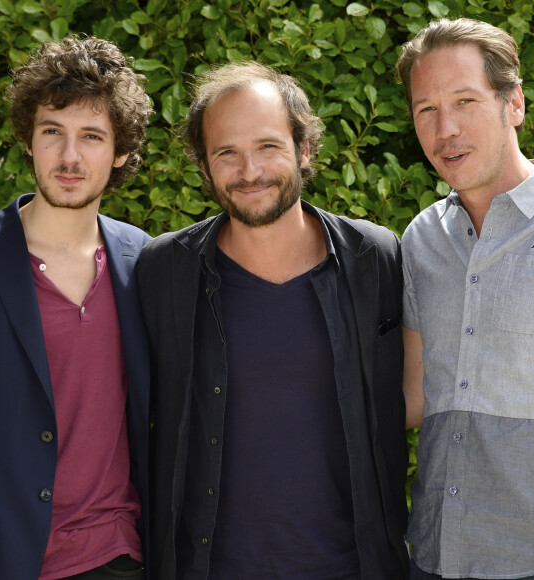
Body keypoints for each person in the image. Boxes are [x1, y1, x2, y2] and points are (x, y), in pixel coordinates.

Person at [137, 61, 408, 580]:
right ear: (204, 165)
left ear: (303, 149)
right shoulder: (164, 270)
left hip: (353, 568)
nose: (249, 171)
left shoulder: (373, 258)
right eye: (227, 153)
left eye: (268, 146)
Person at [396, 17, 534, 580]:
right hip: (435, 556)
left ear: (515, 103)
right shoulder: (421, 238)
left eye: (465, 101)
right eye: (426, 109)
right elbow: (412, 394)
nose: (445, 127)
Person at [0, 36, 153, 579]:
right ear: (28, 139)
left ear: (121, 151)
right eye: (52, 132)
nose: (69, 156)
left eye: (91, 136)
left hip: (116, 553)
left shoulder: (145, 262)